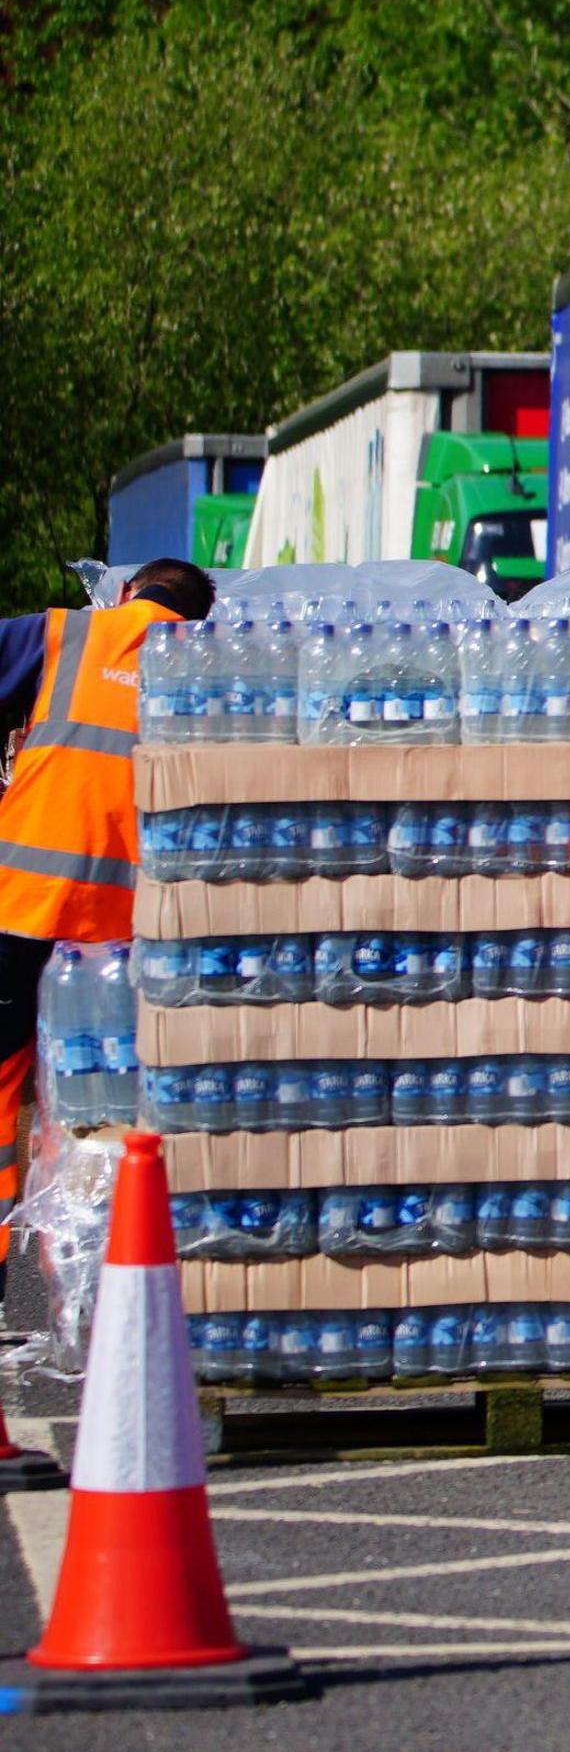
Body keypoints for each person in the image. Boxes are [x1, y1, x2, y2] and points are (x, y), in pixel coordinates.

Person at [0, 558, 216, 1396]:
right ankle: (97, 1300)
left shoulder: (64, 631)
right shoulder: (202, 670)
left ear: (128, 595)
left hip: (22, 906)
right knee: (106, 1130)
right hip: (126, 945)